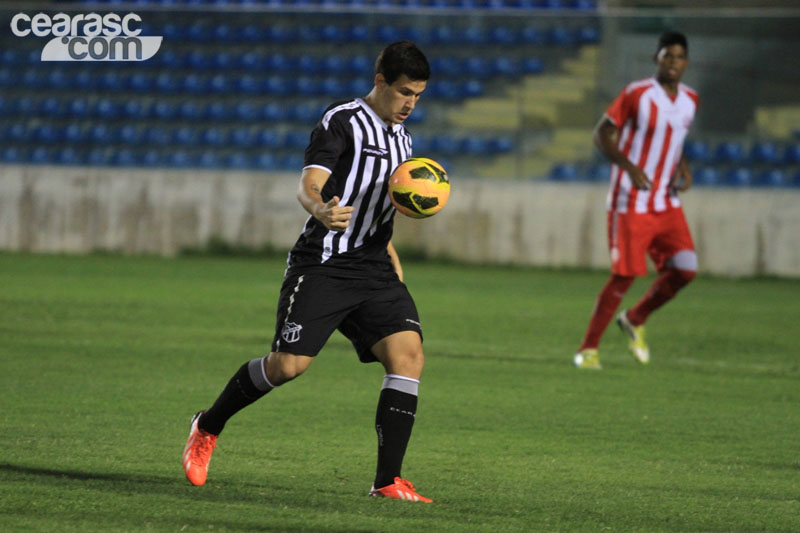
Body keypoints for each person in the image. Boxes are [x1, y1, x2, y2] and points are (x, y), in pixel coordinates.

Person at [182, 41, 433, 503]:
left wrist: (390, 251)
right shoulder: (342, 120)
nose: (410, 103)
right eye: (404, 92)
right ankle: (208, 424)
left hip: (374, 267)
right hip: (324, 264)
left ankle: (387, 481)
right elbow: (309, 183)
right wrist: (320, 210)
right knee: (288, 366)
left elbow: (378, 203)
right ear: (380, 82)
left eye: (417, 94)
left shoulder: (404, 139)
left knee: (408, 356)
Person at [573, 31, 698, 370]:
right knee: (625, 275)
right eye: (666, 56)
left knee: (685, 269)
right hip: (630, 200)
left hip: (666, 202)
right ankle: (588, 350)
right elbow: (601, 132)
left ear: (686, 63)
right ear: (656, 59)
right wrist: (629, 166)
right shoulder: (638, 94)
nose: (672, 62)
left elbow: (676, 137)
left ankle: (636, 318)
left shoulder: (690, 100)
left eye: (678, 57)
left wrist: (683, 167)